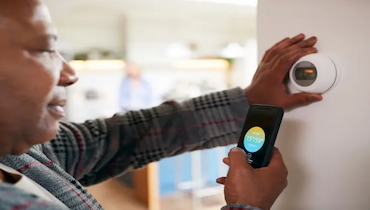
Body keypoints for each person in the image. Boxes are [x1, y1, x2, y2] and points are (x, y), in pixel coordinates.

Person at [0, 0, 322, 209]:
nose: (69, 74)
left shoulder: (18, 153)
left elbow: (122, 137)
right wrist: (250, 205)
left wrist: (248, 101)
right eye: (44, 50)